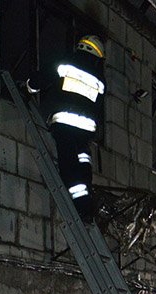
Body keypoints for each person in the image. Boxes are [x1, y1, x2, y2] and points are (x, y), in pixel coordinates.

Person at [25, 34, 106, 219]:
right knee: (83, 159)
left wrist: (29, 86)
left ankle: (81, 203)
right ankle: (87, 196)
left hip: (66, 124)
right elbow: (97, 106)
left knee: (68, 163)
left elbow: (42, 78)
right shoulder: (100, 80)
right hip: (86, 131)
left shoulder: (67, 65)